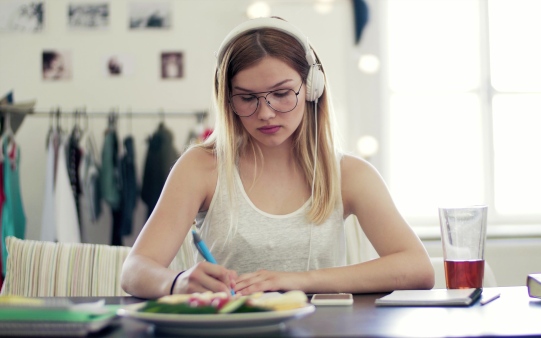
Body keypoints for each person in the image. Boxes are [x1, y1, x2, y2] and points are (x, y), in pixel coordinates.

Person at [121, 17, 434, 299]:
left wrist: (298, 280)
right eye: (247, 98)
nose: (266, 113)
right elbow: (134, 269)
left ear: (312, 87)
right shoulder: (201, 167)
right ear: (228, 100)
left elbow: (417, 268)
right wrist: (176, 282)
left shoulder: (349, 174)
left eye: (282, 93)